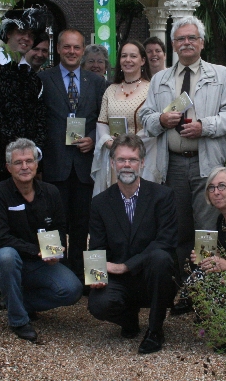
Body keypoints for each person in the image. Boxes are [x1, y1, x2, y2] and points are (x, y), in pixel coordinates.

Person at [139, 16, 226, 287]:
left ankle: (206, 289)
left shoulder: (220, 75)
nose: (186, 43)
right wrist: (161, 120)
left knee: (207, 227)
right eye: (181, 39)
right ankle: (186, 285)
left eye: (191, 38)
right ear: (173, 44)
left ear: (201, 43)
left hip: (205, 163)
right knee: (179, 228)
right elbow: (146, 117)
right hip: (170, 164)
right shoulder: (160, 78)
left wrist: (203, 127)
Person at [0, 6, 50, 308]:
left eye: (30, 34)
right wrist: (17, 152)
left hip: (25, 166)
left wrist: (32, 155)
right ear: (7, 35)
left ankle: (19, 281)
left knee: (22, 222)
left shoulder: (33, 79)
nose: (26, 39)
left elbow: (39, 121)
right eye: (20, 33)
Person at [0, 138, 84, 341]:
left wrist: (56, 251)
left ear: (36, 164)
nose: (24, 167)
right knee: (6, 256)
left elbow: (59, 227)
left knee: (72, 290)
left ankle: (15, 301)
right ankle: (19, 320)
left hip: (40, 264)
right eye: (18, 162)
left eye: (29, 161)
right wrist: (35, 251)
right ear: (8, 167)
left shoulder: (50, 192)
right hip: (8, 264)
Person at [87, 134, 178, 354]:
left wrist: (126, 266)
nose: (127, 165)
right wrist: (96, 276)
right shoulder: (99, 203)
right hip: (119, 281)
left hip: (152, 276)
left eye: (132, 160)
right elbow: (97, 247)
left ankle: (155, 330)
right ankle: (129, 320)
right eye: (121, 160)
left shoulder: (163, 196)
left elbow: (165, 241)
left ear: (142, 163)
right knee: (98, 305)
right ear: (112, 163)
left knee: (161, 258)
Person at [39, 29, 107, 281]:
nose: (71, 52)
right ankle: (53, 274)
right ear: (58, 49)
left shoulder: (97, 82)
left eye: (76, 48)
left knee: (82, 224)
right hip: (54, 162)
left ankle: (80, 276)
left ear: (82, 50)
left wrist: (93, 136)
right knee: (51, 222)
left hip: (84, 165)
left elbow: (103, 118)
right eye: (66, 47)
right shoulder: (43, 79)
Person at [91, 40, 153, 195]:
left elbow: (152, 125)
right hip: (114, 155)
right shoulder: (111, 89)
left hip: (140, 154)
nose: (128, 60)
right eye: (124, 56)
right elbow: (102, 122)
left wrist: (130, 145)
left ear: (143, 60)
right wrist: (108, 142)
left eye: (133, 56)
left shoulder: (151, 89)